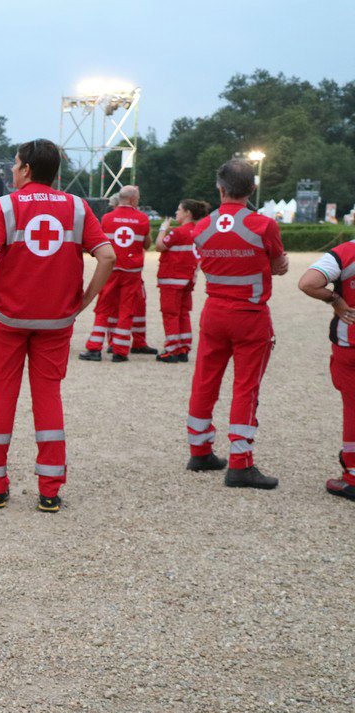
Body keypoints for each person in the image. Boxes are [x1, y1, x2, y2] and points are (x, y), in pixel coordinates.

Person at [0, 139, 115, 512]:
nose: (12, 170)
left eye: (15, 164)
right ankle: (50, 489)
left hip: (6, 318)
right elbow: (108, 256)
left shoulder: (4, 206)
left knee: (2, 394)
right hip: (56, 320)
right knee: (48, 396)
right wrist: (85, 300)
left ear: (27, 169)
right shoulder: (79, 207)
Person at [184, 158, 288, 488]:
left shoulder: (201, 227)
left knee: (204, 380)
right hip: (250, 315)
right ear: (252, 189)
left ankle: (199, 450)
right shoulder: (264, 225)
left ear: (220, 188)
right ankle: (240, 463)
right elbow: (278, 264)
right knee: (245, 387)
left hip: (214, 312)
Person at [297, 238, 355, 500]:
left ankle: (352, 476)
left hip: (350, 343)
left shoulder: (347, 252)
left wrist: (335, 299)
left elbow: (308, 283)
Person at [78, 185, 148, 361]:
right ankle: (120, 350)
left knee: (103, 307)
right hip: (132, 271)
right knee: (126, 309)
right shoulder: (142, 219)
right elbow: (146, 244)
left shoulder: (107, 218)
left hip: (111, 269)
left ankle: (94, 348)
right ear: (133, 200)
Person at [154, 199, 210, 363]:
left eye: (179, 210)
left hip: (171, 278)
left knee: (170, 313)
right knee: (183, 313)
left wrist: (163, 229)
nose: (176, 212)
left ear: (187, 213)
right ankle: (184, 347)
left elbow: (160, 246)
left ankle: (171, 349)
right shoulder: (196, 231)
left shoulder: (178, 232)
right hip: (187, 278)